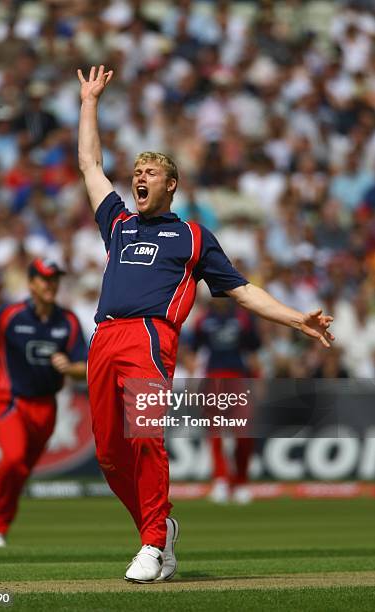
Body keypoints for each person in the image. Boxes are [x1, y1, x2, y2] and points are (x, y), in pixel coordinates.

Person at [77, 65, 334, 583]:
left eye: (150, 173)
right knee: (108, 455)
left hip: (149, 338)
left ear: (171, 184)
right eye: (137, 172)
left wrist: (294, 318)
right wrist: (90, 101)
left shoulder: (192, 237)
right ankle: (159, 529)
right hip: (103, 337)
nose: (139, 178)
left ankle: (151, 543)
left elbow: (240, 290)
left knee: (146, 435)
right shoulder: (120, 224)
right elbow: (89, 163)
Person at [0, 258, 87, 548]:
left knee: (20, 471)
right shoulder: (10, 315)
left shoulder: (69, 321)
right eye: (45, 279)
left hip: (47, 407)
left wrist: (70, 368)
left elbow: (86, 366)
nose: (51, 285)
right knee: (12, 461)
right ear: (31, 283)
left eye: (54, 280)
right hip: (11, 401)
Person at [191, 298, 260, 505]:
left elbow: (254, 349)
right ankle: (221, 479)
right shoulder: (203, 320)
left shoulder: (243, 317)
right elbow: (194, 350)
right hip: (213, 376)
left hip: (238, 376)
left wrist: (257, 379)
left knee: (244, 432)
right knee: (215, 431)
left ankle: (240, 482)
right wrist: (194, 378)